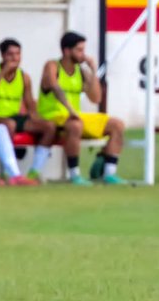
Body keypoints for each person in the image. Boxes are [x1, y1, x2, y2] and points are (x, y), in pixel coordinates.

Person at [38, 32, 128, 186]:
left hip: (73, 115)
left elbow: (96, 98)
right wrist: (71, 111)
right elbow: (55, 88)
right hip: (52, 115)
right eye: (79, 50)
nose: (83, 54)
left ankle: (109, 174)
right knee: (75, 125)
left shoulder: (81, 72)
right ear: (67, 51)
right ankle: (75, 175)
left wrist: (93, 72)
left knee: (117, 125)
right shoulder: (52, 66)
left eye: (83, 50)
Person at [0, 39, 51, 186]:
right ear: (2, 56)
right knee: (8, 125)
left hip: (12, 118)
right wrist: (3, 72)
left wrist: (37, 119)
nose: (14, 58)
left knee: (49, 127)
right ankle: (10, 173)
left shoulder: (24, 77)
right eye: (10, 54)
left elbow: (30, 105)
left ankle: (33, 172)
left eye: (17, 54)